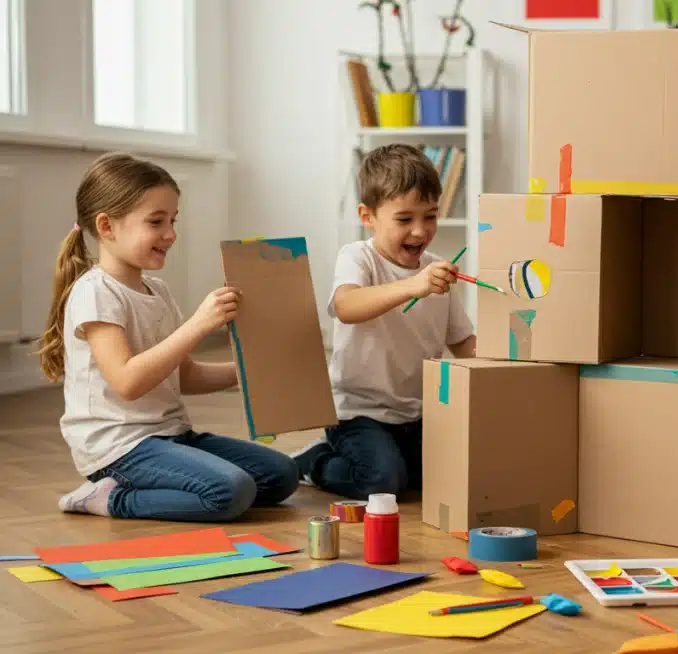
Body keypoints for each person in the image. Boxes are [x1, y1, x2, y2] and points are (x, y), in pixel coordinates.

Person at [41, 152, 300, 521]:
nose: (170, 234)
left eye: (172, 220)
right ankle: (108, 499)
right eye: (156, 221)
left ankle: (157, 483)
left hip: (170, 434)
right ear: (107, 226)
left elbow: (185, 376)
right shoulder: (94, 293)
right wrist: (198, 325)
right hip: (119, 447)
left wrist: (251, 368)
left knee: (282, 475)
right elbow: (127, 382)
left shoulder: (157, 291)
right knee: (230, 491)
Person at [292, 143, 475, 500]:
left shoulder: (435, 269)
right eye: (404, 219)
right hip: (357, 412)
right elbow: (346, 305)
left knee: (447, 476)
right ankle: (314, 461)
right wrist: (413, 286)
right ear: (367, 216)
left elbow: (463, 341)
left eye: (431, 216)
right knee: (381, 483)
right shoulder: (358, 257)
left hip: (416, 413)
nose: (420, 232)